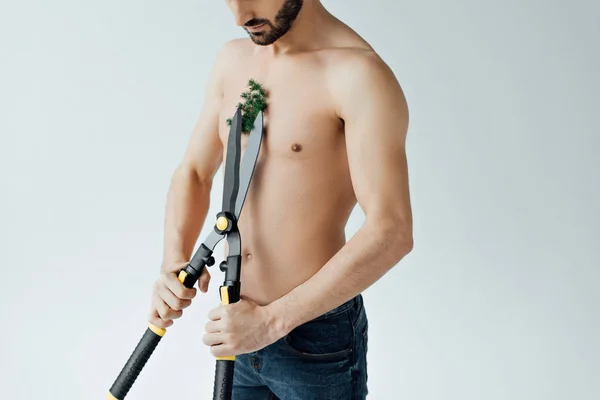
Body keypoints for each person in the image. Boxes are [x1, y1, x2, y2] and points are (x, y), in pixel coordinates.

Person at [148, 0, 413, 398]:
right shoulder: (233, 59)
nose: (240, 16)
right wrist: (173, 261)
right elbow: (194, 172)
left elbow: (391, 231)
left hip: (315, 341)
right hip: (235, 325)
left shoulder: (357, 74)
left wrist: (272, 322)